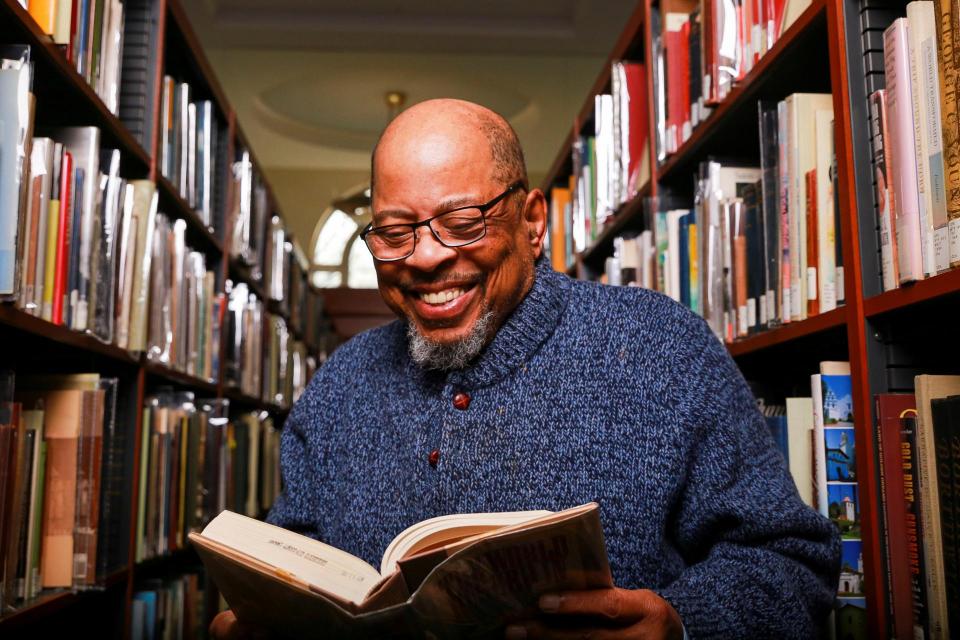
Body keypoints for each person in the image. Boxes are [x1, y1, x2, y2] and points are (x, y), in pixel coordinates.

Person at [211, 99, 840, 639]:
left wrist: (681, 622)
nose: (425, 258)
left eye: (461, 223)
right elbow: (288, 560)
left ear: (533, 223)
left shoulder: (661, 347)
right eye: (395, 232)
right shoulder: (340, 385)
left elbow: (791, 563)